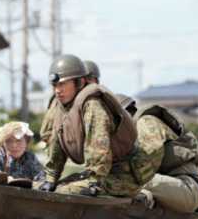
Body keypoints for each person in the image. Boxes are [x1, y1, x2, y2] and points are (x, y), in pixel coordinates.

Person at [39, 54, 151, 197]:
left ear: (79, 82)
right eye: (55, 85)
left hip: (125, 174)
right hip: (104, 174)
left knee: (64, 192)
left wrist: (94, 180)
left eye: (62, 84)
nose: (57, 90)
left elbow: (98, 145)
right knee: (44, 187)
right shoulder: (63, 107)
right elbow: (57, 145)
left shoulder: (92, 104)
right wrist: (50, 179)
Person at [117, 94, 198, 212]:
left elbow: (150, 158)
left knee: (120, 180)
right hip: (170, 187)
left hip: (187, 189)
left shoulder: (145, 122)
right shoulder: (131, 134)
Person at [39, 59, 101, 145]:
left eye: (90, 79)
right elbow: (46, 133)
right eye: (56, 85)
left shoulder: (93, 104)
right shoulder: (61, 103)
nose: (88, 83)